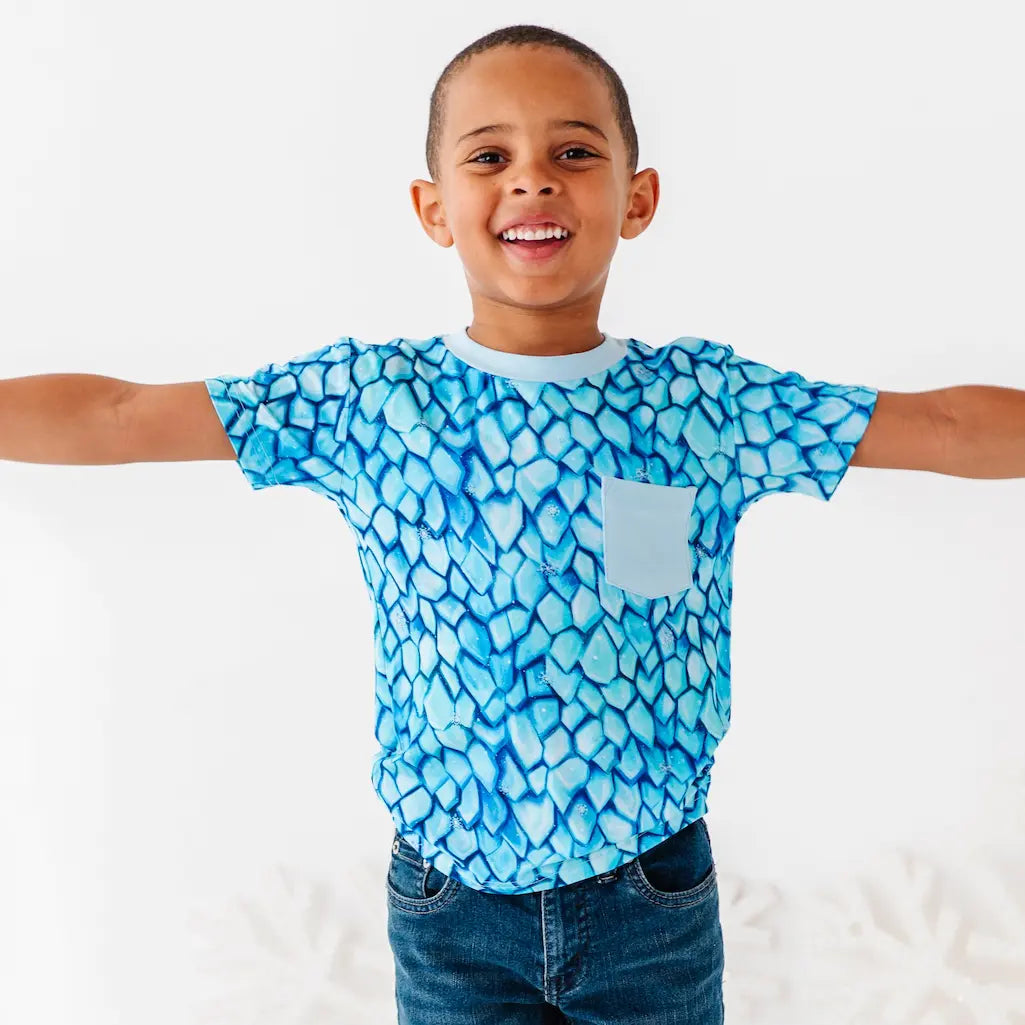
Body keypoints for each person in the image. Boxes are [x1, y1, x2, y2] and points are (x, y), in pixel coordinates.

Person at [1, 21, 1019, 1025]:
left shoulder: (706, 406)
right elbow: (120, 414)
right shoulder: (367, 400)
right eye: (490, 156)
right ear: (435, 208)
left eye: (573, 152)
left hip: (649, 895)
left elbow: (937, 422)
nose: (532, 179)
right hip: (447, 908)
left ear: (637, 195)